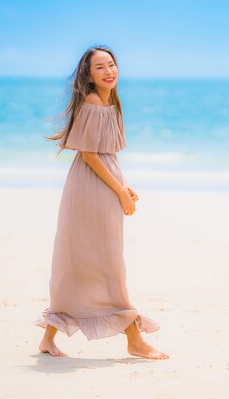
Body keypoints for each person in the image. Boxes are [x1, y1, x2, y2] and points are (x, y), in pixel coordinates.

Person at [34, 45, 169, 360]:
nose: (109, 71)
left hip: (101, 186)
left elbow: (106, 155)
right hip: (89, 192)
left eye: (112, 65)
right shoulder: (93, 104)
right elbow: (90, 155)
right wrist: (119, 191)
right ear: (89, 75)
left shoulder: (111, 104)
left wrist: (124, 186)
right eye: (100, 68)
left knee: (85, 263)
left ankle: (48, 337)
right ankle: (133, 338)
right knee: (106, 264)